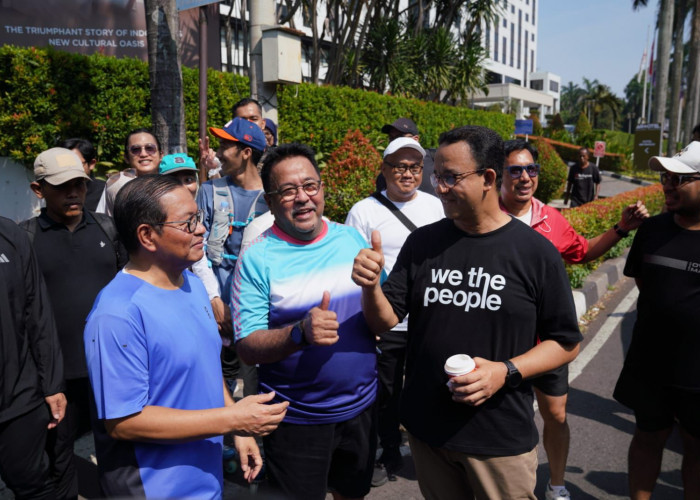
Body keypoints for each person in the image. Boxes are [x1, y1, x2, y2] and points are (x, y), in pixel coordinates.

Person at [352, 125, 582, 500]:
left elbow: (565, 342)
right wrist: (370, 285)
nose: (438, 187)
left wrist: (504, 371)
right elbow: (385, 319)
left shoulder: (535, 253)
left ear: (488, 178)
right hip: (429, 432)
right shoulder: (424, 242)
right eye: (437, 176)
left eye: (450, 177)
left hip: (499, 439)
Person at [84, 174, 287, 498]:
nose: (202, 229)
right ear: (147, 236)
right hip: (154, 489)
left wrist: (236, 426)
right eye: (189, 222)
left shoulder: (191, 283)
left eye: (200, 218)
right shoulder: (117, 314)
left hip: (205, 481)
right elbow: (123, 422)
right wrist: (230, 418)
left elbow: (205, 366)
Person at [499, 138, 648, 500]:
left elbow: (582, 252)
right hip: (501, 339)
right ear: (498, 175)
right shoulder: (486, 218)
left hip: (547, 341)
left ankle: (557, 484)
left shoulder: (551, 219)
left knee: (556, 415)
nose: (524, 177)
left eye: (530, 169)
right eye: (515, 170)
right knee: (503, 422)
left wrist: (621, 228)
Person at [232, 143, 378, 500]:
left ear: (322, 188)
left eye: (310, 186)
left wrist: (376, 288)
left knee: (352, 494)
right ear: (270, 201)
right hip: (296, 420)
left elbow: (381, 316)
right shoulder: (256, 259)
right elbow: (247, 347)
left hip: (362, 408)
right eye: (288, 190)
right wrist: (299, 333)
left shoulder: (352, 239)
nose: (303, 198)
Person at [21, 147, 126, 499]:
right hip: (56, 376)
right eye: (63, 186)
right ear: (39, 190)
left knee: (120, 447)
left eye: (79, 185)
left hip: (111, 367)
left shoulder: (109, 230)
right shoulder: (26, 240)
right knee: (60, 455)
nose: (74, 193)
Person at [345, 137, 444, 486]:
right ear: (384, 170)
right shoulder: (363, 211)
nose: (407, 173)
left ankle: (428, 452)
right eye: (399, 166)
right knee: (384, 395)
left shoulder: (436, 207)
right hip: (383, 322)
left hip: (427, 322)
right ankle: (386, 454)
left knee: (427, 390)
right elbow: (352, 267)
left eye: (414, 167)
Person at [613, 142, 700, 500]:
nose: (667, 184)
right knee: (647, 438)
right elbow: (645, 284)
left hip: (697, 373)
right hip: (650, 364)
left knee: (696, 448)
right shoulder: (653, 231)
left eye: (679, 178)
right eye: (665, 176)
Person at [194, 117, 268, 397]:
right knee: (213, 382)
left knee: (256, 384)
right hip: (213, 311)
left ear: (246, 152)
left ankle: (252, 436)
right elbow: (196, 250)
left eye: (226, 145)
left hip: (257, 313)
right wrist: (214, 300)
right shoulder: (209, 191)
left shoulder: (270, 197)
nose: (219, 153)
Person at [0, 215, 66, 500]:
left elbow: (37, 311)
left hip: (18, 397)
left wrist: (52, 384)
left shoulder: (8, 233)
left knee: (35, 487)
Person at [96, 128, 164, 215]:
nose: (143, 154)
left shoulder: (171, 183)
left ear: (161, 155)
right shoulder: (117, 183)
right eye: (135, 149)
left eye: (150, 148)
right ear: (126, 158)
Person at [200, 97, 267, 179]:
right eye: (242, 120)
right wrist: (212, 169)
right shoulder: (229, 161)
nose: (248, 124)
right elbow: (220, 187)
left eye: (253, 119)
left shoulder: (277, 159)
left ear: (263, 123)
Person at [376, 118, 436, 195]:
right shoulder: (386, 174)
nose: (395, 141)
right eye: (391, 138)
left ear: (416, 139)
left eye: (400, 137)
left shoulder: (435, 158)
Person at [61, 138, 105, 212]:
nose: (69, 169)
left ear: (91, 164)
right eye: (64, 164)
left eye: (76, 164)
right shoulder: (55, 190)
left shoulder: (105, 192)